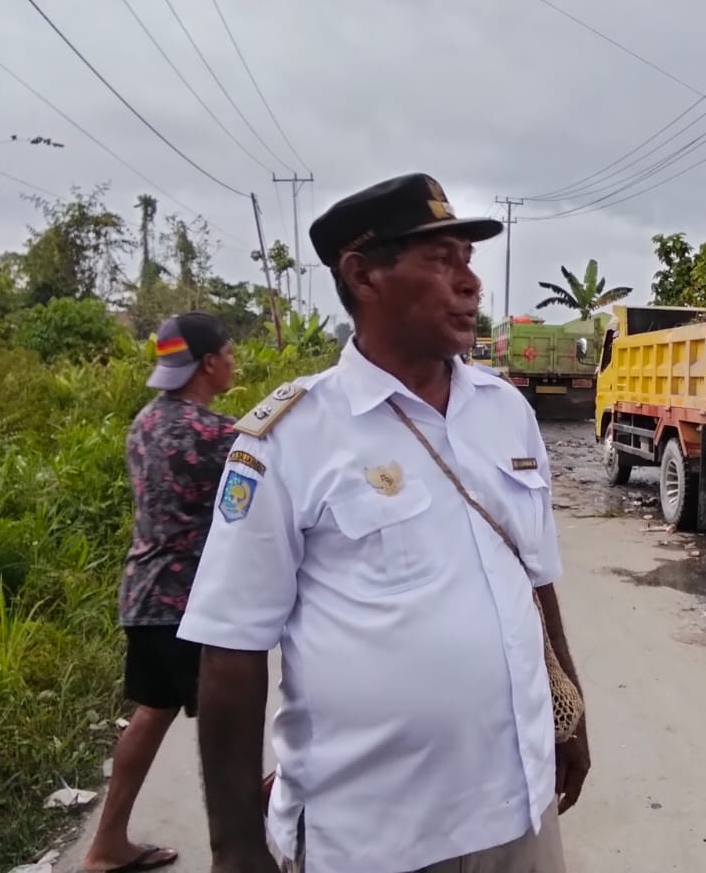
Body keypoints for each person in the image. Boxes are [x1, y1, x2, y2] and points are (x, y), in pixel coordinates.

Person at [178, 173, 589, 873]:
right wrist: (237, 847)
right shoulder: (289, 437)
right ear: (364, 275)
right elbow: (231, 650)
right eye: (441, 260)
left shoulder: (506, 411)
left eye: (469, 258)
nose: (470, 283)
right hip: (371, 834)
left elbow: (534, 578)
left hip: (516, 812)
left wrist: (570, 716)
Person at [83, 312, 237, 873]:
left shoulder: (145, 422)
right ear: (207, 363)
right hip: (188, 604)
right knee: (231, 727)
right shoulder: (214, 436)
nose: (233, 359)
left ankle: (106, 846)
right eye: (227, 350)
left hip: (144, 594)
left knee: (152, 713)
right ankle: (241, 851)